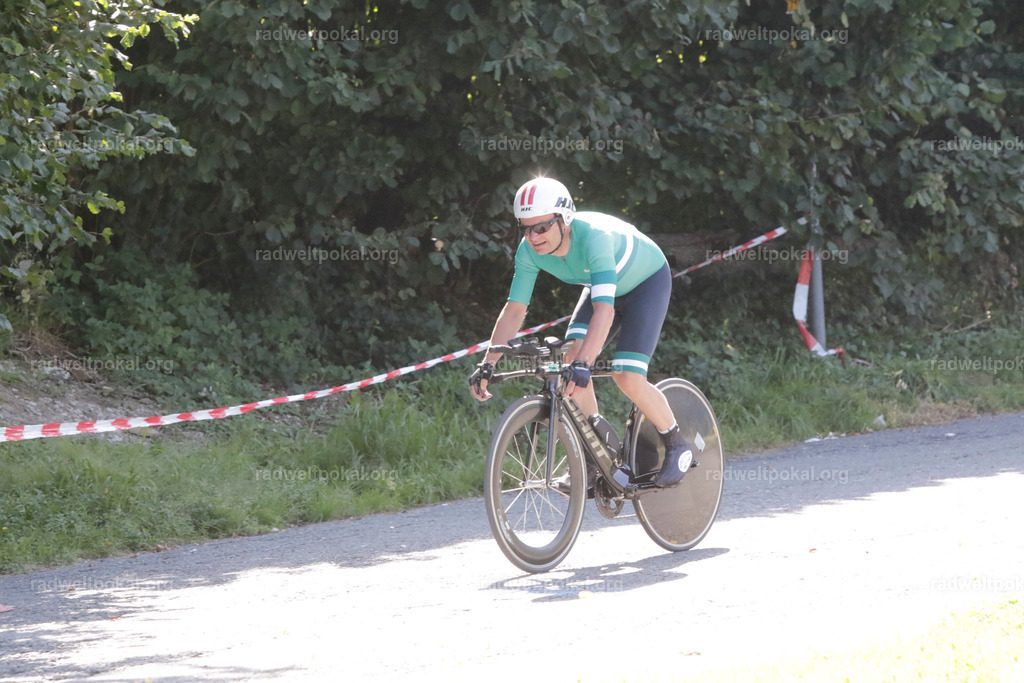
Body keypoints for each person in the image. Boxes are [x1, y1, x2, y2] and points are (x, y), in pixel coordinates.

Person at [468, 176, 694, 487]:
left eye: (541, 227)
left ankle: (677, 443)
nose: (533, 237)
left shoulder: (594, 239)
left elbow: (605, 310)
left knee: (626, 376)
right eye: (526, 228)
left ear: (564, 220)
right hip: (602, 287)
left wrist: (584, 364)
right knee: (569, 361)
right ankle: (594, 456)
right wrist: (488, 363)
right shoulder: (528, 251)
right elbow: (515, 310)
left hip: (645, 284)